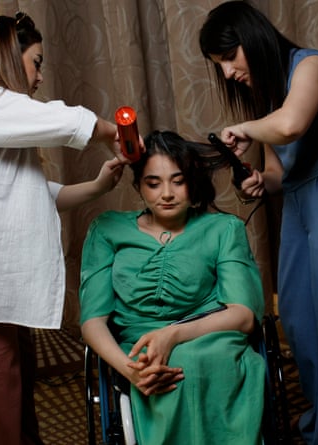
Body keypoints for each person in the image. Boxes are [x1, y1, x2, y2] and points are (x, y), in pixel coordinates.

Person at [199, 2, 318, 444]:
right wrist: (259, 182)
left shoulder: (311, 65)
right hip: (303, 203)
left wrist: (247, 127)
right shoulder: (268, 97)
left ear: (253, 37)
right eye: (219, 65)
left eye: (229, 58)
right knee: (301, 321)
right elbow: (279, 173)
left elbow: (290, 126)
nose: (227, 73)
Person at [0, 12, 136, 445]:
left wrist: (96, 186)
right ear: (7, 58)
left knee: (16, 409)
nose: (39, 78)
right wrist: (113, 131)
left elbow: (36, 194)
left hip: (2, 297)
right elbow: (65, 119)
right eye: (36, 63)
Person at [80, 130, 266, 445]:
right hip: (137, 350)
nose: (166, 193)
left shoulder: (223, 229)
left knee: (195, 363)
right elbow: (92, 321)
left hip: (210, 337)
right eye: (153, 183)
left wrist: (173, 335)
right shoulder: (108, 229)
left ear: (192, 183)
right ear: (138, 185)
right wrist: (130, 371)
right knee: (161, 371)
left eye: (177, 182)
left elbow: (244, 315)